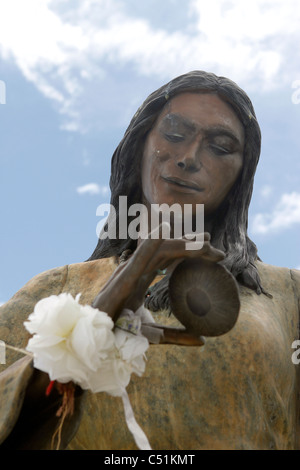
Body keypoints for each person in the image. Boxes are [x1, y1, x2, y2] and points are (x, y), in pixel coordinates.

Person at [0, 71, 299, 450]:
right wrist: (107, 307)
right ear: (139, 145)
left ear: (242, 174)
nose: (189, 158)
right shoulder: (52, 290)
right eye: (174, 135)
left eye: (221, 147)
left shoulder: (289, 295)